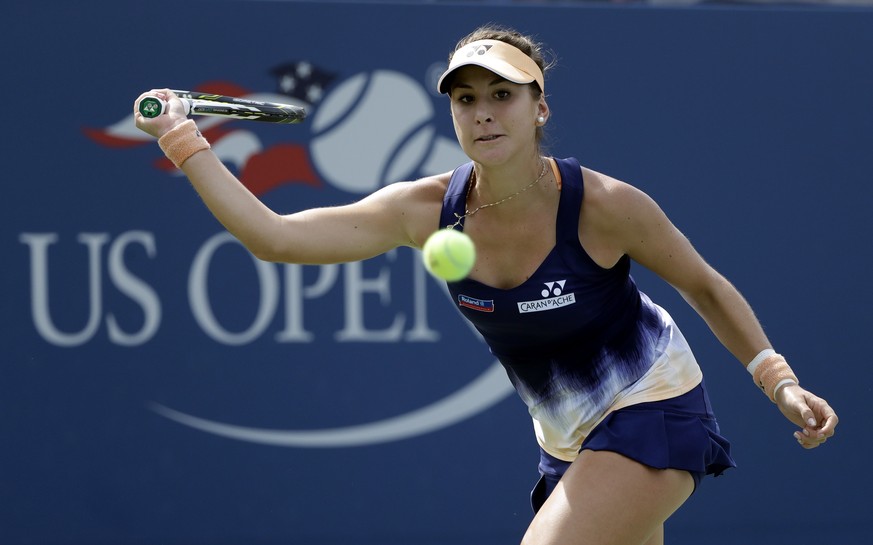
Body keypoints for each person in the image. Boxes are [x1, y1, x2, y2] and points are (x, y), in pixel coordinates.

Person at [134, 24, 838, 545]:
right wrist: (183, 141)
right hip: (565, 440)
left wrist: (777, 382)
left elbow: (705, 286)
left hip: (653, 408)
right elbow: (274, 237)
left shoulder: (605, 204)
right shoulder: (421, 208)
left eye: (502, 94)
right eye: (466, 98)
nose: (483, 112)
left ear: (539, 108)